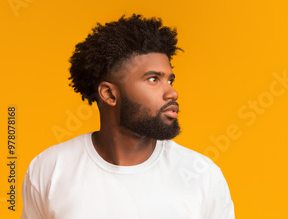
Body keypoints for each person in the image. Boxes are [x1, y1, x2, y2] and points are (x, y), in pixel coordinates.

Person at [21, 14, 235, 219]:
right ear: (109, 94)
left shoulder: (201, 175)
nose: (172, 93)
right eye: (153, 79)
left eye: (170, 80)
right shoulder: (50, 169)